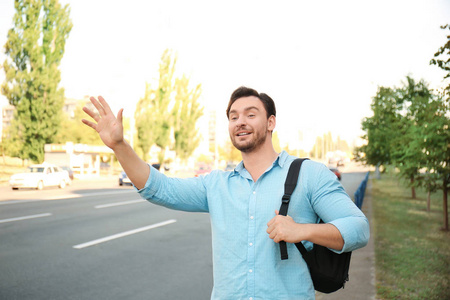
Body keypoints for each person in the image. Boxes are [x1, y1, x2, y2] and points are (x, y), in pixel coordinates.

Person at [82, 86, 369, 300]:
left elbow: (358, 228)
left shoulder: (309, 174)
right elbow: (158, 188)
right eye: (233, 116)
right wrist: (120, 146)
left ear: (270, 123)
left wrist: (303, 231)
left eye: (250, 114)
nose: (240, 121)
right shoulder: (216, 184)